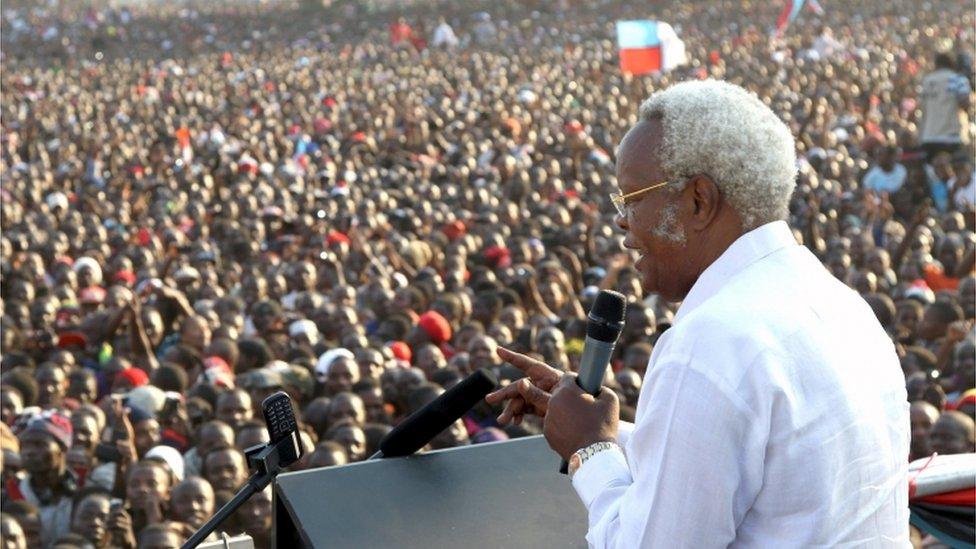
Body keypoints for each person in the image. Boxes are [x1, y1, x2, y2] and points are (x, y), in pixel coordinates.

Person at [487, 80, 909, 546]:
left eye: (632, 197)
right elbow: (759, 469)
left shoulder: (712, 342)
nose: (622, 221)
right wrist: (595, 426)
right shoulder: (842, 305)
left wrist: (591, 450)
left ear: (698, 201)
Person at [919, 53, 971, 160]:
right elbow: (964, 103)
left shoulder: (927, 81)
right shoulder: (957, 79)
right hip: (950, 136)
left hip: (928, 136)